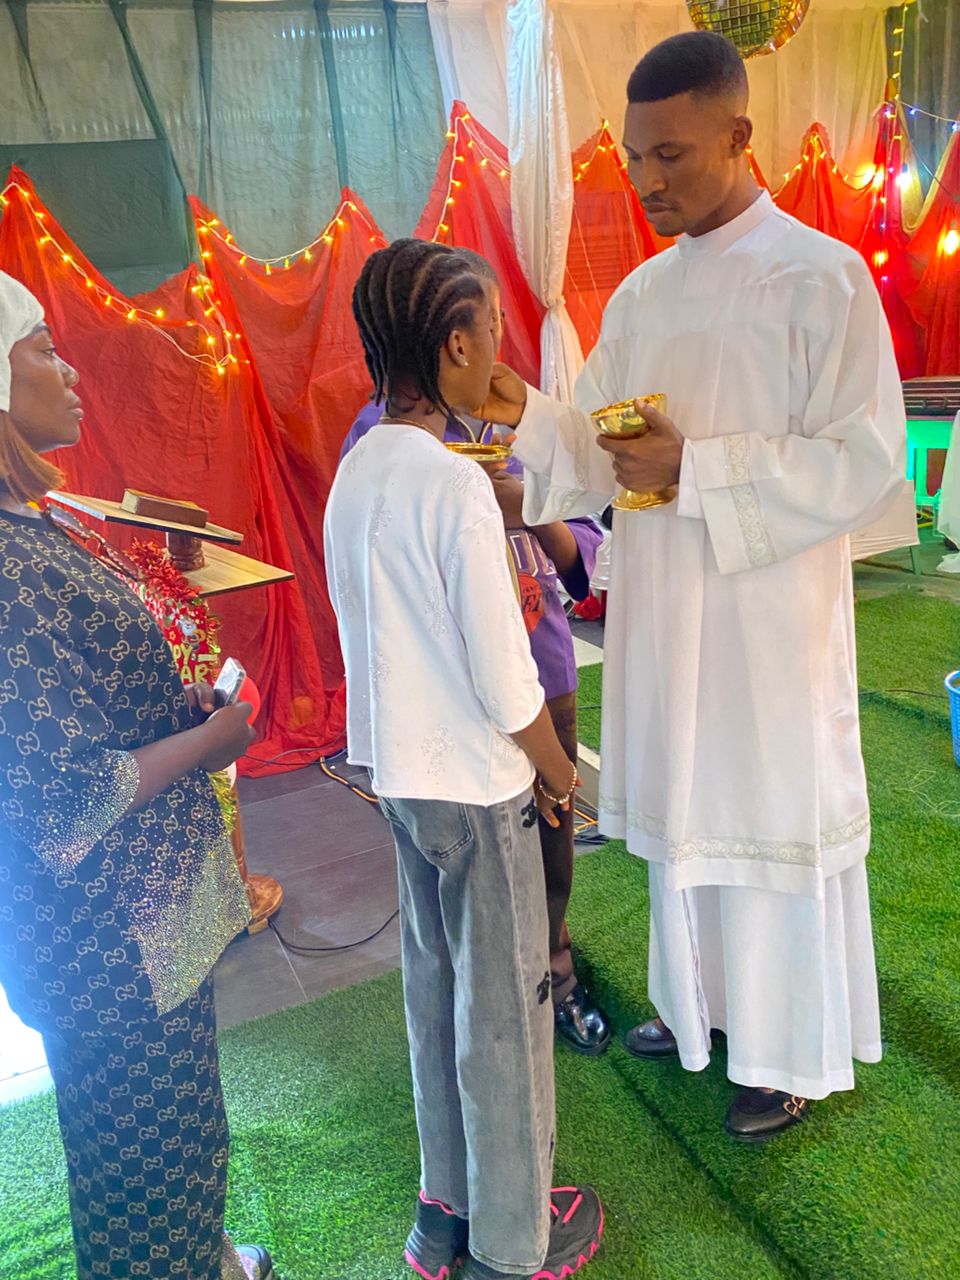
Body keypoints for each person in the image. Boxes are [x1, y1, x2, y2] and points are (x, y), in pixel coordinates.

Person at [475, 32, 905, 1142]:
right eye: (636, 157)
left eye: (671, 155)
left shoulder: (822, 277)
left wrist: (699, 468)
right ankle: (699, 1007)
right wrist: (525, 409)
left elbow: (863, 462)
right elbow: (604, 442)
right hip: (669, 608)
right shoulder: (642, 293)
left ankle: (784, 1053)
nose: (647, 180)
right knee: (687, 818)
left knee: (761, 814)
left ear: (739, 135)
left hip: (767, 625)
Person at [324, 238, 602, 1279]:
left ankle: (443, 1210)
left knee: (436, 989)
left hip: (401, 778)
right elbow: (504, 676)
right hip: (482, 788)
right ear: (452, 345)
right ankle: (515, 1242)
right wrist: (561, 774)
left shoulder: (358, 471)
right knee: (508, 1016)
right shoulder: (450, 483)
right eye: (489, 327)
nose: (498, 347)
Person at [0, 271, 274, 1278]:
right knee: (145, 1171)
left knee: (174, 1148)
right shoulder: (5, 566)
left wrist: (176, 708)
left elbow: (81, 710)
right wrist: (209, 742)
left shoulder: (31, 521)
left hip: (132, 929)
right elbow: (65, 799)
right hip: (108, 947)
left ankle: (204, 1259)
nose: (68, 370)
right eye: (41, 348)